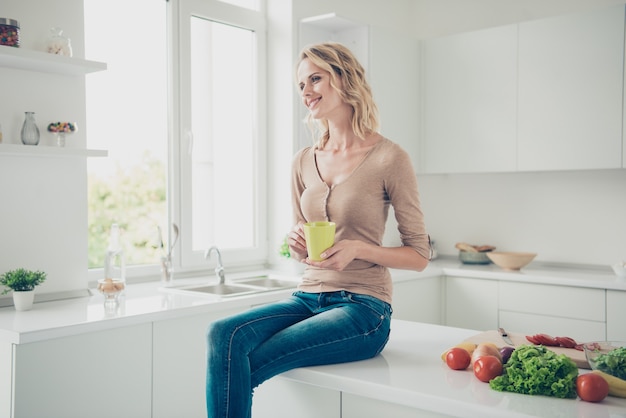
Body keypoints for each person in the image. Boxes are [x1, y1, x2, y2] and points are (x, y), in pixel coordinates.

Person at [206, 42, 431, 418]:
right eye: (301, 85)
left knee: (246, 362)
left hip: (363, 307)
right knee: (223, 333)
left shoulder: (390, 158)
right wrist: (294, 242)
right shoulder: (302, 161)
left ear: (344, 78)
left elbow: (420, 256)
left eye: (315, 78)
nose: (306, 91)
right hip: (307, 298)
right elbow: (301, 249)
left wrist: (358, 248)